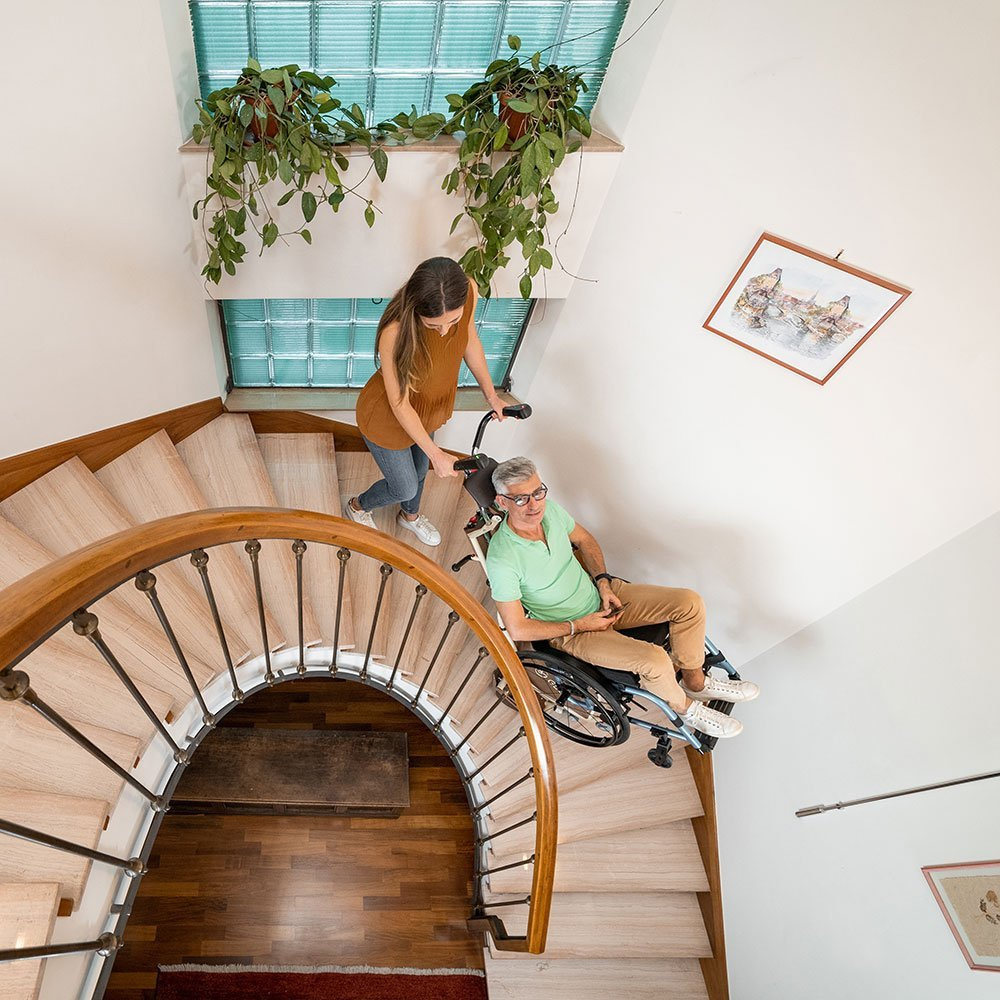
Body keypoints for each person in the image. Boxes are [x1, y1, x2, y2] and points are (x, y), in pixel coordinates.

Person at [484, 457, 759, 740]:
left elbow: (585, 540)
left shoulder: (550, 511)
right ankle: (687, 709)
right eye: (521, 499)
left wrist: (603, 584)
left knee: (690, 602)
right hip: (574, 631)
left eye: (538, 492)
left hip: (603, 596)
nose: (534, 505)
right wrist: (580, 625)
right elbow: (517, 629)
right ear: (502, 502)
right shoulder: (502, 558)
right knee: (656, 660)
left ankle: (695, 682)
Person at [345, 257, 506, 546]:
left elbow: (469, 340)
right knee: (405, 487)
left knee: (419, 472)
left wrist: (491, 395)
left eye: (452, 321)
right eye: (433, 325)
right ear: (415, 308)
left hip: (427, 410)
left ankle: (409, 517)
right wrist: (436, 454)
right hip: (388, 417)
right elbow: (398, 403)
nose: (444, 331)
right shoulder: (394, 333)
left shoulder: (468, 290)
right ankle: (358, 506)